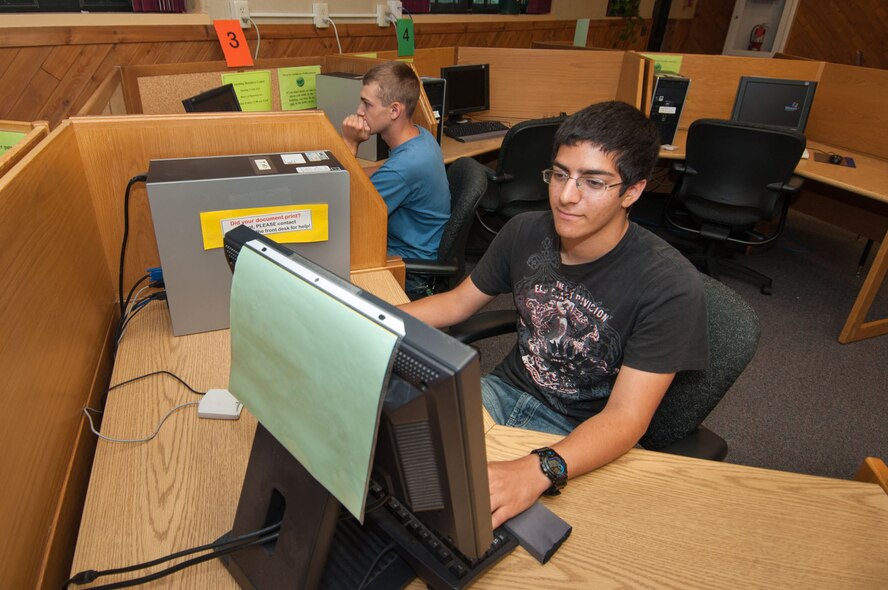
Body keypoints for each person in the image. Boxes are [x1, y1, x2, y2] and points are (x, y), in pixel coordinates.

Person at [400, 101, 708, 528]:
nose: (566, 196)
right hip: (499, 395)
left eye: (593, 182)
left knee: (524, 541)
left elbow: (626, 418)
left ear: (633, 191)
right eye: (560, 174)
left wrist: (539, 469)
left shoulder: (670, 285)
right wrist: (373, 315)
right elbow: (457, 304)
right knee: (407, 471)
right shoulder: (525, 230)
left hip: (578, 433)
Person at [341, 61, 450, 270]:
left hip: (406, 264)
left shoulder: (405, 167)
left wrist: (350, 144)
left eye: (367, 103)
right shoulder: (421, 136)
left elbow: (347, 214)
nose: (359, 111)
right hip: (417, 246)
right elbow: (384, 171)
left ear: (394, 110)